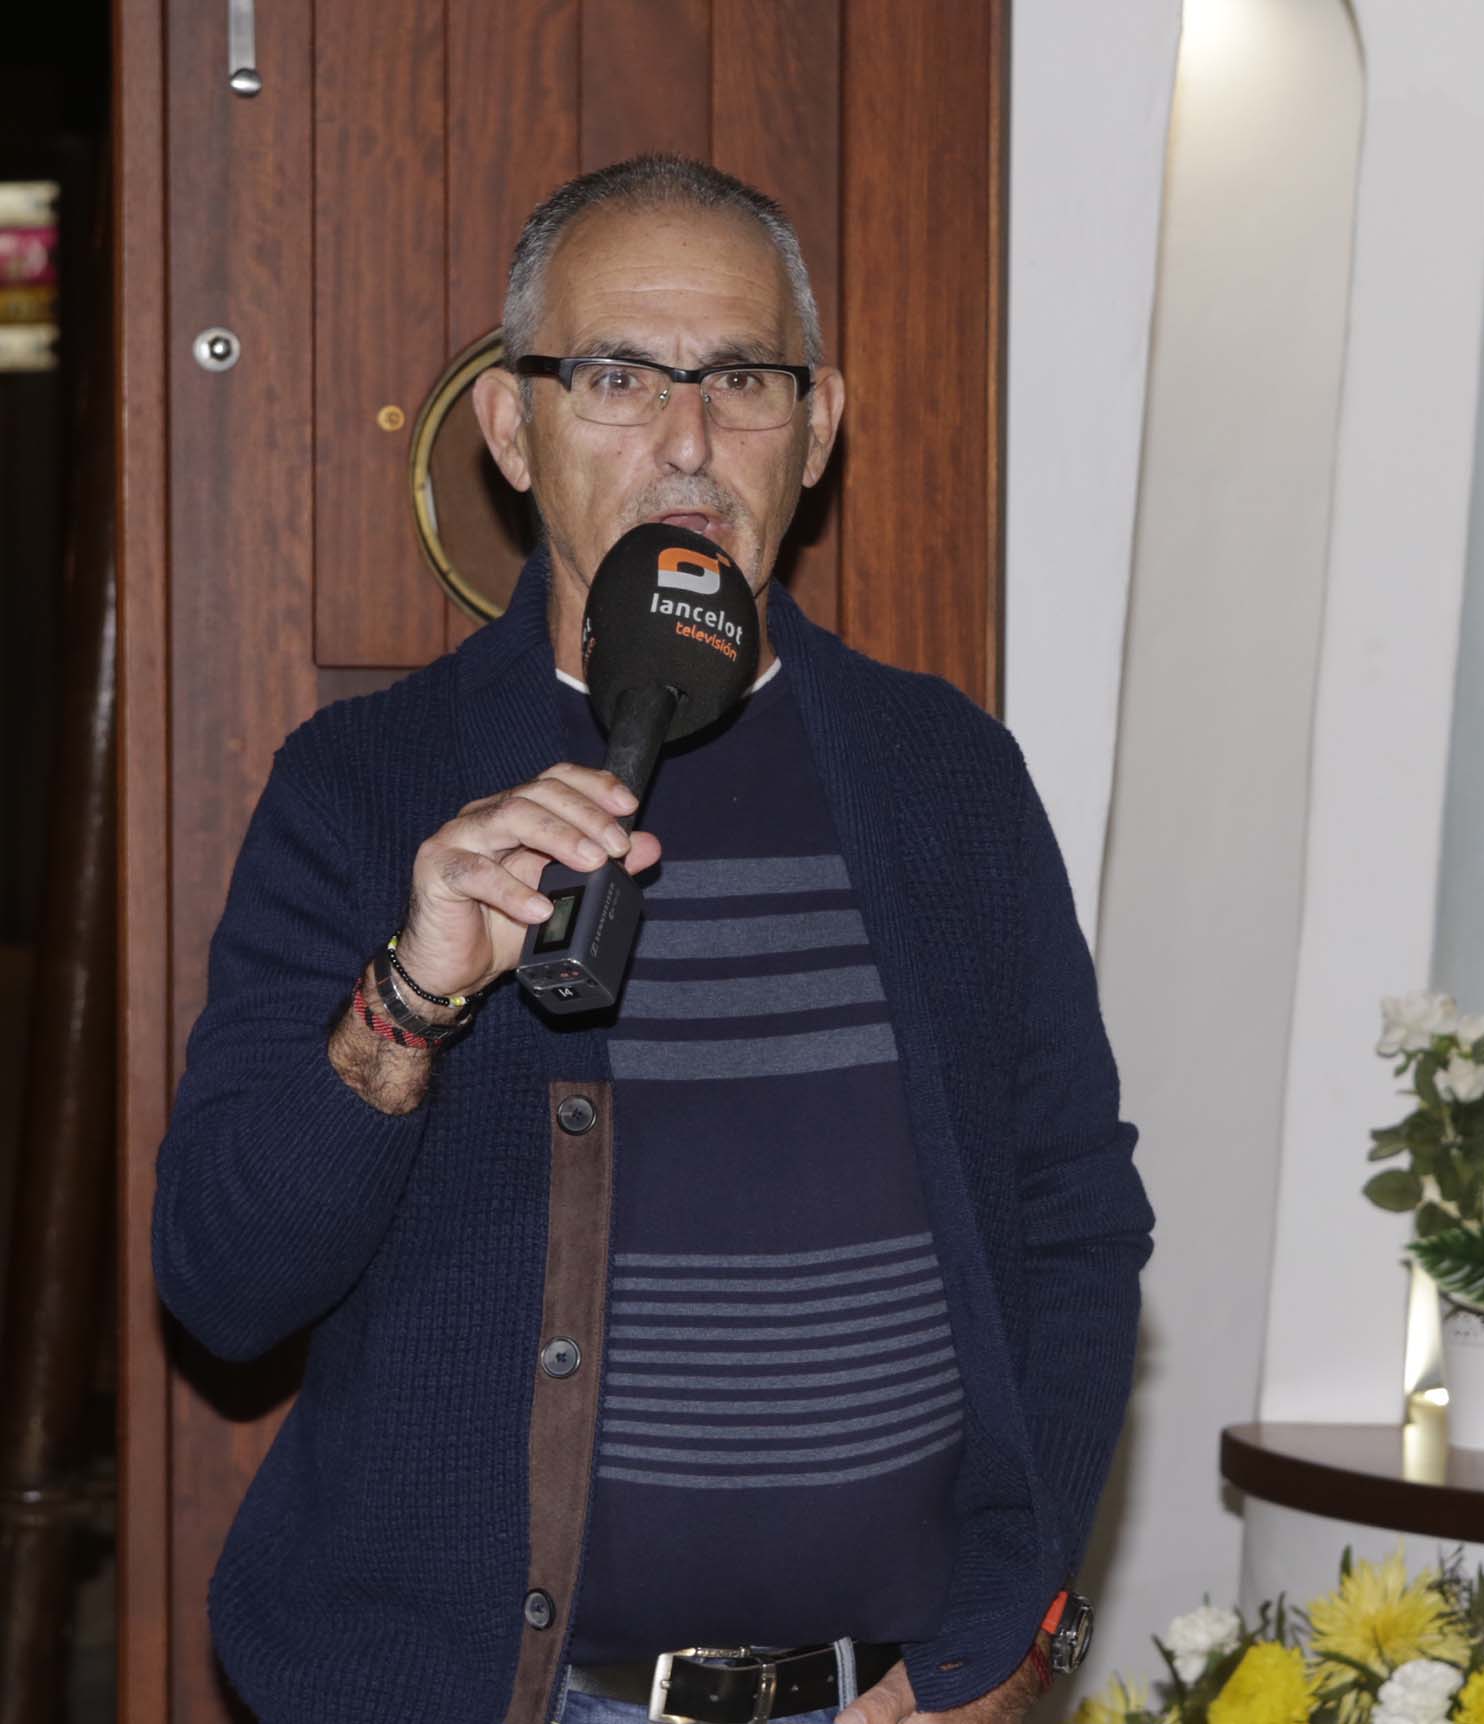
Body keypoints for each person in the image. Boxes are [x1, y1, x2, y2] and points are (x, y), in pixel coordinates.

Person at [151, 154, 1153, 1724]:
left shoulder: (945, 777)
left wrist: (1004, 1640)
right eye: (617, 375)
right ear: (511, 427)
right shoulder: (365, 790)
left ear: (817, 427)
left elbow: (1079, 1225)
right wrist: (408, 1003)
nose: (688, 442)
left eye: (741, 377)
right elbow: (220, 1284)